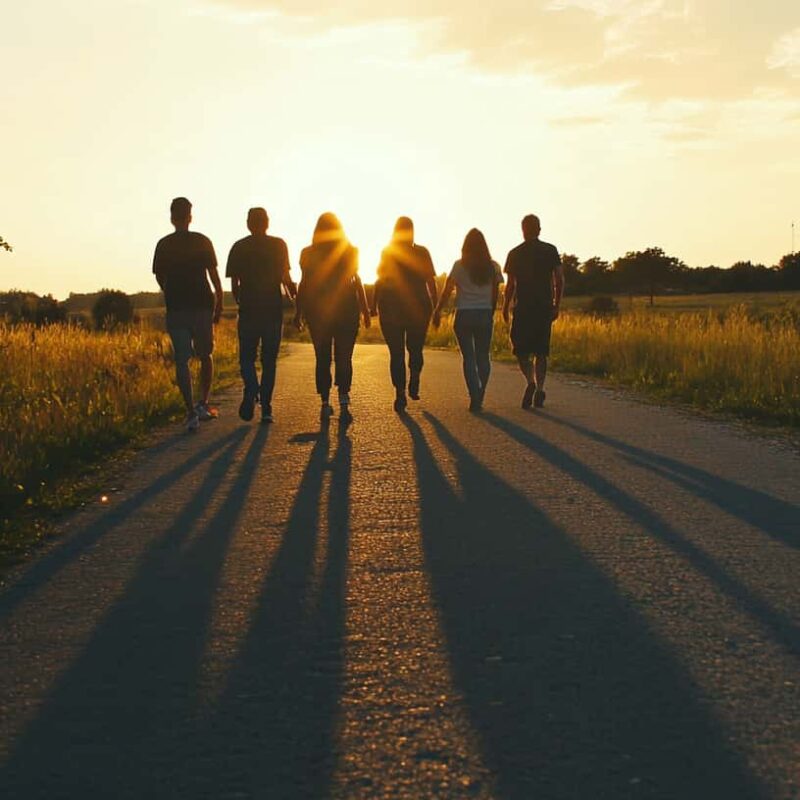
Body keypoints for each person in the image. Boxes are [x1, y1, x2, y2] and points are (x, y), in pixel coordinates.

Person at [153, 197, 224, 432]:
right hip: (202, 304)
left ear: (172, 217)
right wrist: (220, 301)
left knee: (181, 360)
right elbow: (213, 276)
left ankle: (190, 412)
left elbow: (159, 277)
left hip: (177, 307)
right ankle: (203, 402)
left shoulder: (163, 245)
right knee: (206, 355)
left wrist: (170, 290)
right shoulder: (202, 241)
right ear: (190, 217)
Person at [294, 213, 371, 418]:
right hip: (346, 310)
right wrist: (365, 310)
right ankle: (344, 401)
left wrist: (298, 311)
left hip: (318, 312)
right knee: (344, 358)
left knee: (323, 358)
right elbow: (357, 281)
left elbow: (304, 284)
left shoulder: (307, 253)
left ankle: (325, 403)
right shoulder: (350, 251)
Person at [226, 207, 296, 424]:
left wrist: (240, 301)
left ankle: (251, 389)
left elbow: (234, 283)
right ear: (267, 223)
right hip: (272, 311)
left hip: (248, 310)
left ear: (248, 224)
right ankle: (266, 407)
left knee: (246, 358)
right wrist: (296, 299)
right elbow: (286, 277)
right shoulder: (279, 245)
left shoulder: (239, 247)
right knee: (269, 361)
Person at [433, 228, 503, 412]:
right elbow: (495, 292)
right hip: (484, 313)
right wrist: (491, 310)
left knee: (469, 358)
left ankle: (474, 394)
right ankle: (481, 392)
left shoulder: (459, 265)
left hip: (464, 314)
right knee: (483, 355)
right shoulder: (493, 266)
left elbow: (447, 290)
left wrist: (438, 310)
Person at [372, 217, 438, 413]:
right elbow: (430, 281)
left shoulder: (388, 251)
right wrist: (434, 306)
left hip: (391, 308)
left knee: (397, 353)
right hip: (418, 308)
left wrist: (373, 305)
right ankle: (415, 375)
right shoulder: (422, 252)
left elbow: (380, 280)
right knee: (415, 349)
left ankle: (400, 392)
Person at [502, 214, 564, 409]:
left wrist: (505, 306)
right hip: (544, 306)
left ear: (523, 230)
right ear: (538, 229)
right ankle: (540, 388)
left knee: (521, 350)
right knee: (541, 351)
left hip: (523, 307)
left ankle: (530, 381)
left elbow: (510, 285)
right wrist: (556, 304)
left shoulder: (515, 253)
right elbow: (559, 279)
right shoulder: (550, 250)